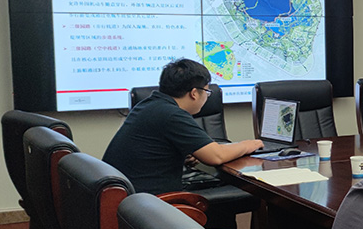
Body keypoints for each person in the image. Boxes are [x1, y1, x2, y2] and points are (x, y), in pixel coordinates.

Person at [102, 58, 263, 195]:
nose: (206, 97)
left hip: (129, 196)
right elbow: (216, 156)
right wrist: (249, 144)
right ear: (194, 93)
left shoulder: (150, 104)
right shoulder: (172, 114)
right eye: (206, 92)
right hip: (151, 202)